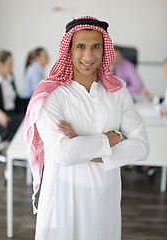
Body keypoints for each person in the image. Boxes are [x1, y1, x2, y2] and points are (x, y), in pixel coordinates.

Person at [24, 16, 149, 240]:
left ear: (104, 51)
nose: (88, 56)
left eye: (96, 47)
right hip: (63, 202)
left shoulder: (117, 92)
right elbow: (64, 153)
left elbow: (142, 147)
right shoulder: (50, 95)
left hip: (104, 202)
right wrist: (112, 138)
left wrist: (89, 149)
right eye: (80, 46)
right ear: (69, 50)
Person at [0, 50, 25, 141]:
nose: (11, 67)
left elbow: (16, 99)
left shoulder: (10, 77)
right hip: (2, 116)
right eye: (10, 64)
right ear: (0, 64)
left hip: (13, 112)